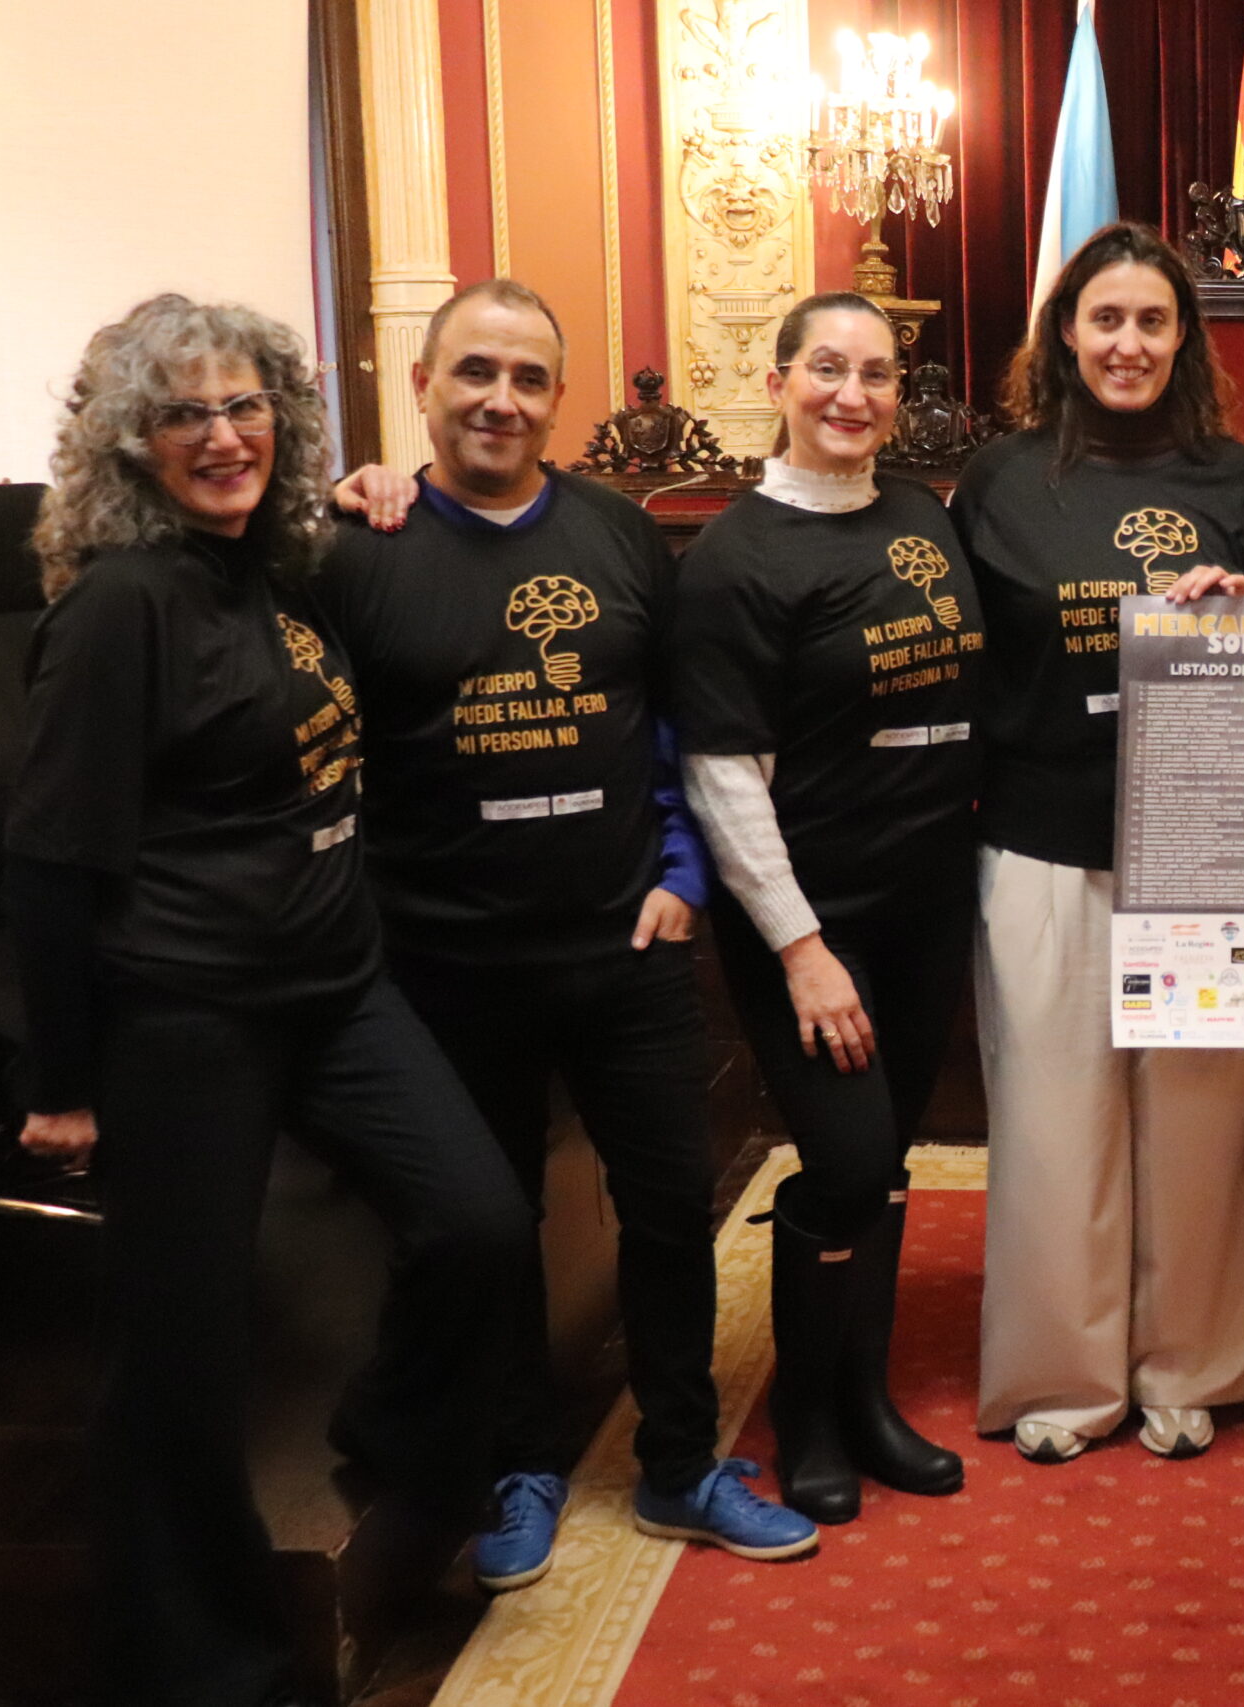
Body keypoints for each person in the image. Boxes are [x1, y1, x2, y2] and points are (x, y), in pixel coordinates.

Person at [3, 294, 536, 1706]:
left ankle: (393, 1434)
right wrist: (62, 1083)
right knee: (181, 1358)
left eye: (245, 405)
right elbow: (48, 861)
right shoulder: (121, 604)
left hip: (335, 985)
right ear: (133, 443)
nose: (224, 436)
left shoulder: (277, 565)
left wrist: (371, 489)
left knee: (480, 1222)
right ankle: (208, 1662)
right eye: (185, 415)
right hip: (188, 1013)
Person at [319, 279, 814, 1587]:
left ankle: (680, 1461)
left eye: (529, 378)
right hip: (446, 959)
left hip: (625, 947)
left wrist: (686, 872)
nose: (501, 400)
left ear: (558, 398)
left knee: (670, 1210)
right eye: (474, 372)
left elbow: (682, 720)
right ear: (421, 385)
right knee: (501, 1223)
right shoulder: (354, 552)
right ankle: (517, 1459)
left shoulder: (618, 532)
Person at [951, 222, 1244, 1464]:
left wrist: (1243, 617)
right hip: (1044, 843)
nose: (1128, 344)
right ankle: (1065, 1376)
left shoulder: (1239, 482)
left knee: (1203, 1125)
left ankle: (1192, 1366)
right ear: (1065, 334)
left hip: (1205, 852)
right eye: (1106, 320)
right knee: (1054, 1126)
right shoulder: (999, 480)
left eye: (1152, 321)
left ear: (1184, 337)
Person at [671, 292, 982, 1524]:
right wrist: (802, 950)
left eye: (877, 374)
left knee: (884, 1160)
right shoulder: (736, 560)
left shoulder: (920, 513)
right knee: (845, 1162)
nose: (853, 395)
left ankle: (865, 1400)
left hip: (924, 907)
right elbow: (722, 779)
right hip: (814, 924)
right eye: (827, 370)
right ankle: (804, 1415)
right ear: (779, 382)